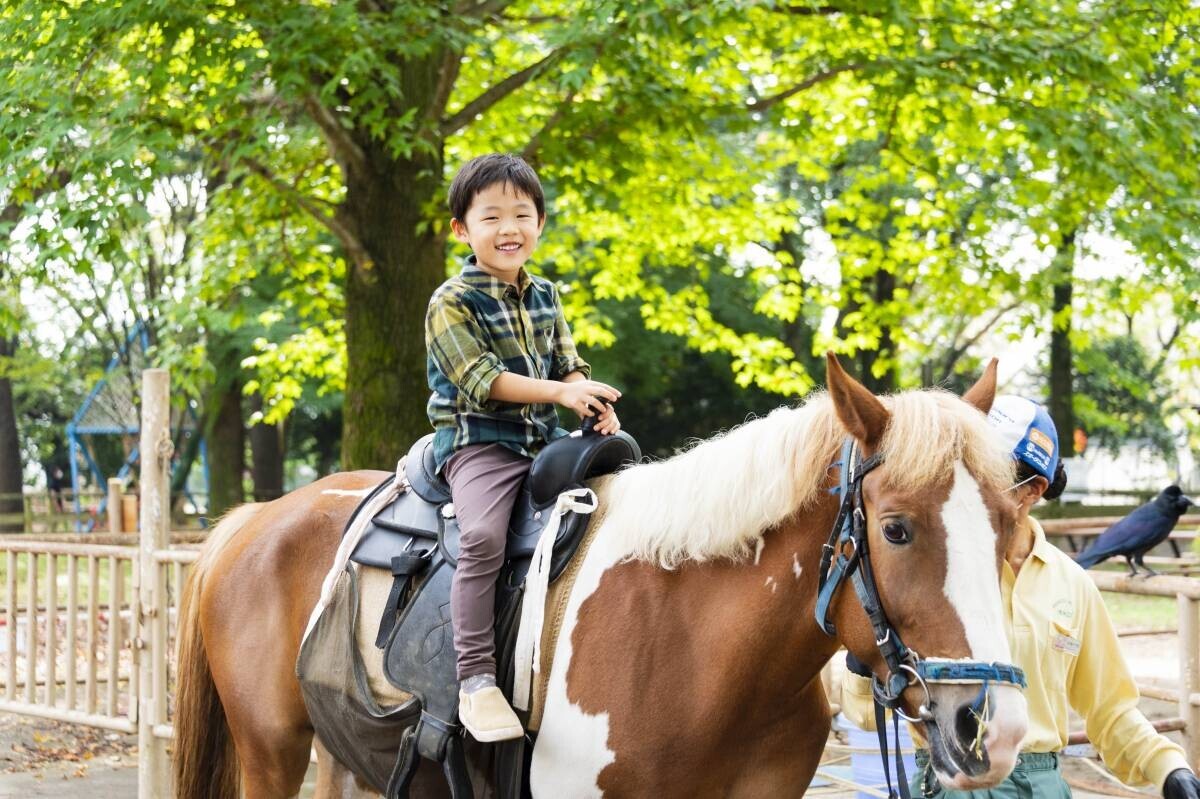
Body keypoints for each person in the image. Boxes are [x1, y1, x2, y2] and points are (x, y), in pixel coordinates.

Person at [842, 395, 1200, 798]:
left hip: (1041, 783)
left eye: (986, 469)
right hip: (952, 776)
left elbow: (1111, 712)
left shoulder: (1071, 584)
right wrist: (865, 657)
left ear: (1032, 490)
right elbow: (864, 715)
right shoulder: (933, 573)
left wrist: (1170, 769)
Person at [425, 153, 622, 743]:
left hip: (546, 441)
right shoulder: (451, 301)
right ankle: (475, 679)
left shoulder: (547, 295)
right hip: (481, 444)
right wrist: (564, 393)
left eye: (521, 214)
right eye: (491, 217)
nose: (508, 228)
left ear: (539, 223)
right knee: (484, 536)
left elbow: (570, 365)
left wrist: (593, 401)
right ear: (463, 229)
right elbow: (483, 380)